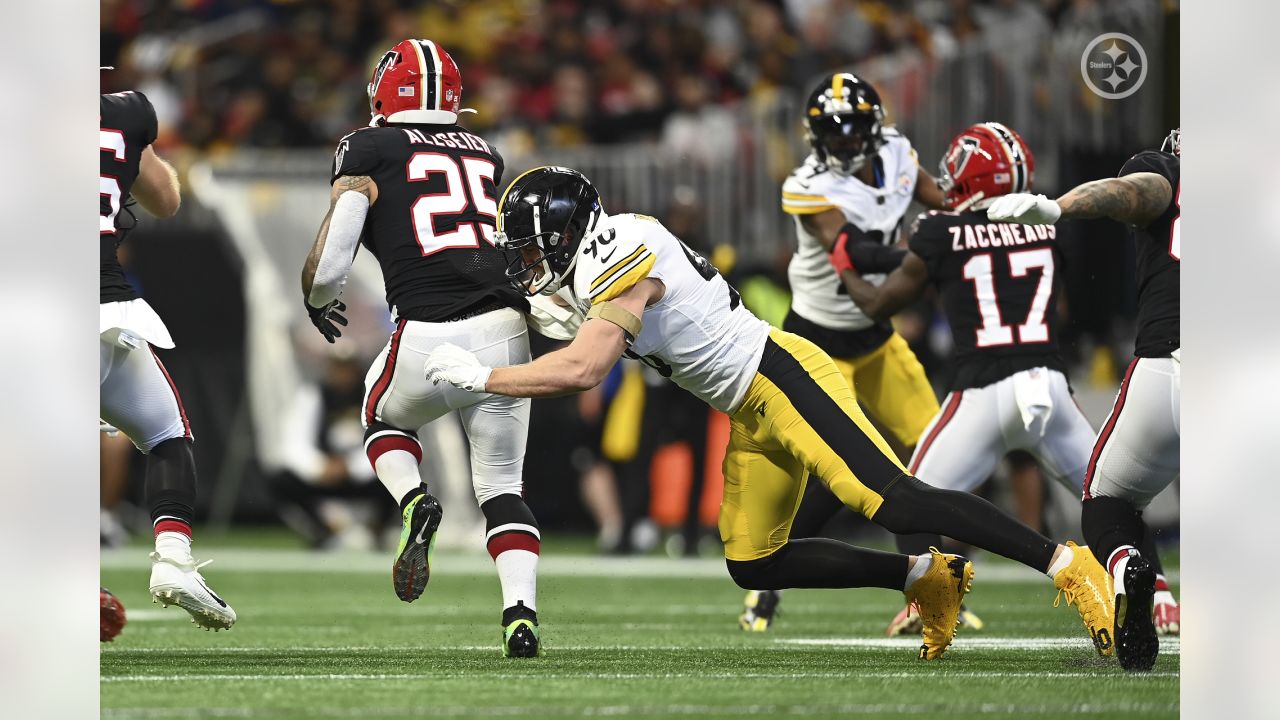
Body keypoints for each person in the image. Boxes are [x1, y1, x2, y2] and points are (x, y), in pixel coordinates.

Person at [425, 165, 1116, 661]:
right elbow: (563, 322)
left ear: (566, 233)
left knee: (894, 501)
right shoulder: (593, 256)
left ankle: (1066, 562)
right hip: (744, 405)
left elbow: (583, 368)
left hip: (778, 375)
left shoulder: (621, 256)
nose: (522, 260)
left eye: (528, 245)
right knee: (754, 562)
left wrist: (484, 376)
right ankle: (927, 578)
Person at [837, 121, 1178, 639]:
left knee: (906, 499)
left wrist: (845, 262)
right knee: (1116, 501)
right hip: (1048, 386)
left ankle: (929, 598)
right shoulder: (1046, 225)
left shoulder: (939, 229)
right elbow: (1058, 305)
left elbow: (884, 301)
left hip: (983, 389)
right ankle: (1161, 597)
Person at [299, 40, 542, 657]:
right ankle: (520, 615)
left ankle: (413, 500)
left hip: (429, 331)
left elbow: (332, 265)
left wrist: (316, 295)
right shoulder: (486, 152)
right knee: (503, 487)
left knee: (379, 417)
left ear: (384, 90)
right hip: (506, 326)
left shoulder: (367, 146)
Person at [743, 71, 956, 633]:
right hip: (818, 343)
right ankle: (769, 575)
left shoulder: (900, 154)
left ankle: (931, 590)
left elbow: (949, 201)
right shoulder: (806, 185)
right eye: (830, 134)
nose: (841, 144)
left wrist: (977, 215)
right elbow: (855, 250)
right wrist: (931, 251)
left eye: (850, 131)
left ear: (873, 128)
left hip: (877, 337)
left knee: (929, 452)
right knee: (827, 474)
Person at [987, 128, 1182, 672]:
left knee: (1107, 502)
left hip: (1172, 362)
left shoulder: (1169, 172)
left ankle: (1124, 567)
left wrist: (1057, 207)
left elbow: (1132, 193)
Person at [100, 89, 235, 630]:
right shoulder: (123, 113)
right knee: (166, 433)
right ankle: (174, 560)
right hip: (108, 308)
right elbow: (165, 199)